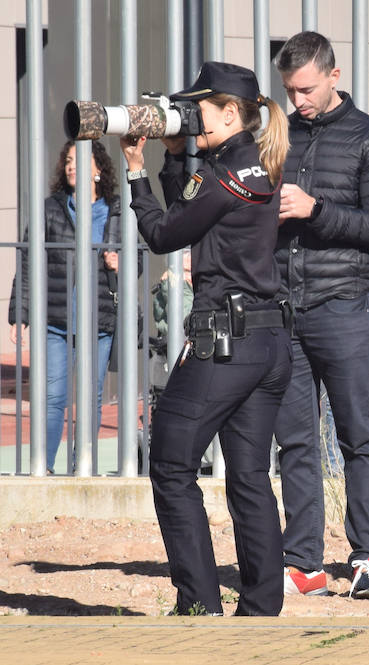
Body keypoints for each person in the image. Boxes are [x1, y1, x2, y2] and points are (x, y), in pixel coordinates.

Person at [121, 61, 293, 615]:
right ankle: (262, 607)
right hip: (268, 343)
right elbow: (193, 208)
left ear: (231, 111)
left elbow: (165, 233)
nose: (192, 118)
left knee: (171, 464)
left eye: (200, 110)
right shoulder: (252, 165)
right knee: (247, 476)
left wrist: (133, 171)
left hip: (227, 341)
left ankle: (198, 601)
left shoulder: (224, 173)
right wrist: (174, 155)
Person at [272, 31, 369, 599]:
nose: (297, 100)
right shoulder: (278, 136)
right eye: (289, 91)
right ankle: (302, 562)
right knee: (295, 442)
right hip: (285, 311)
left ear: (334, 75)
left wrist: (315, 209)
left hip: (344, 309)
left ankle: (368, 557)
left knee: (358, 438)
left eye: (305, 89)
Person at [8, 140, 131, 474]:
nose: (71, 166)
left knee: (90, 400)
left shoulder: (117, 210)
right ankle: (43, 467)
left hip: (99, 322)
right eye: (67, 161)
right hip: (56, 321)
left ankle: (83, 467)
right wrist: (20, 313)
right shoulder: (50, 209)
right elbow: (28, 262)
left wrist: (119, 263)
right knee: (53, 398)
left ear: (98, 169)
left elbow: (134, 263)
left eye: (79, 160)